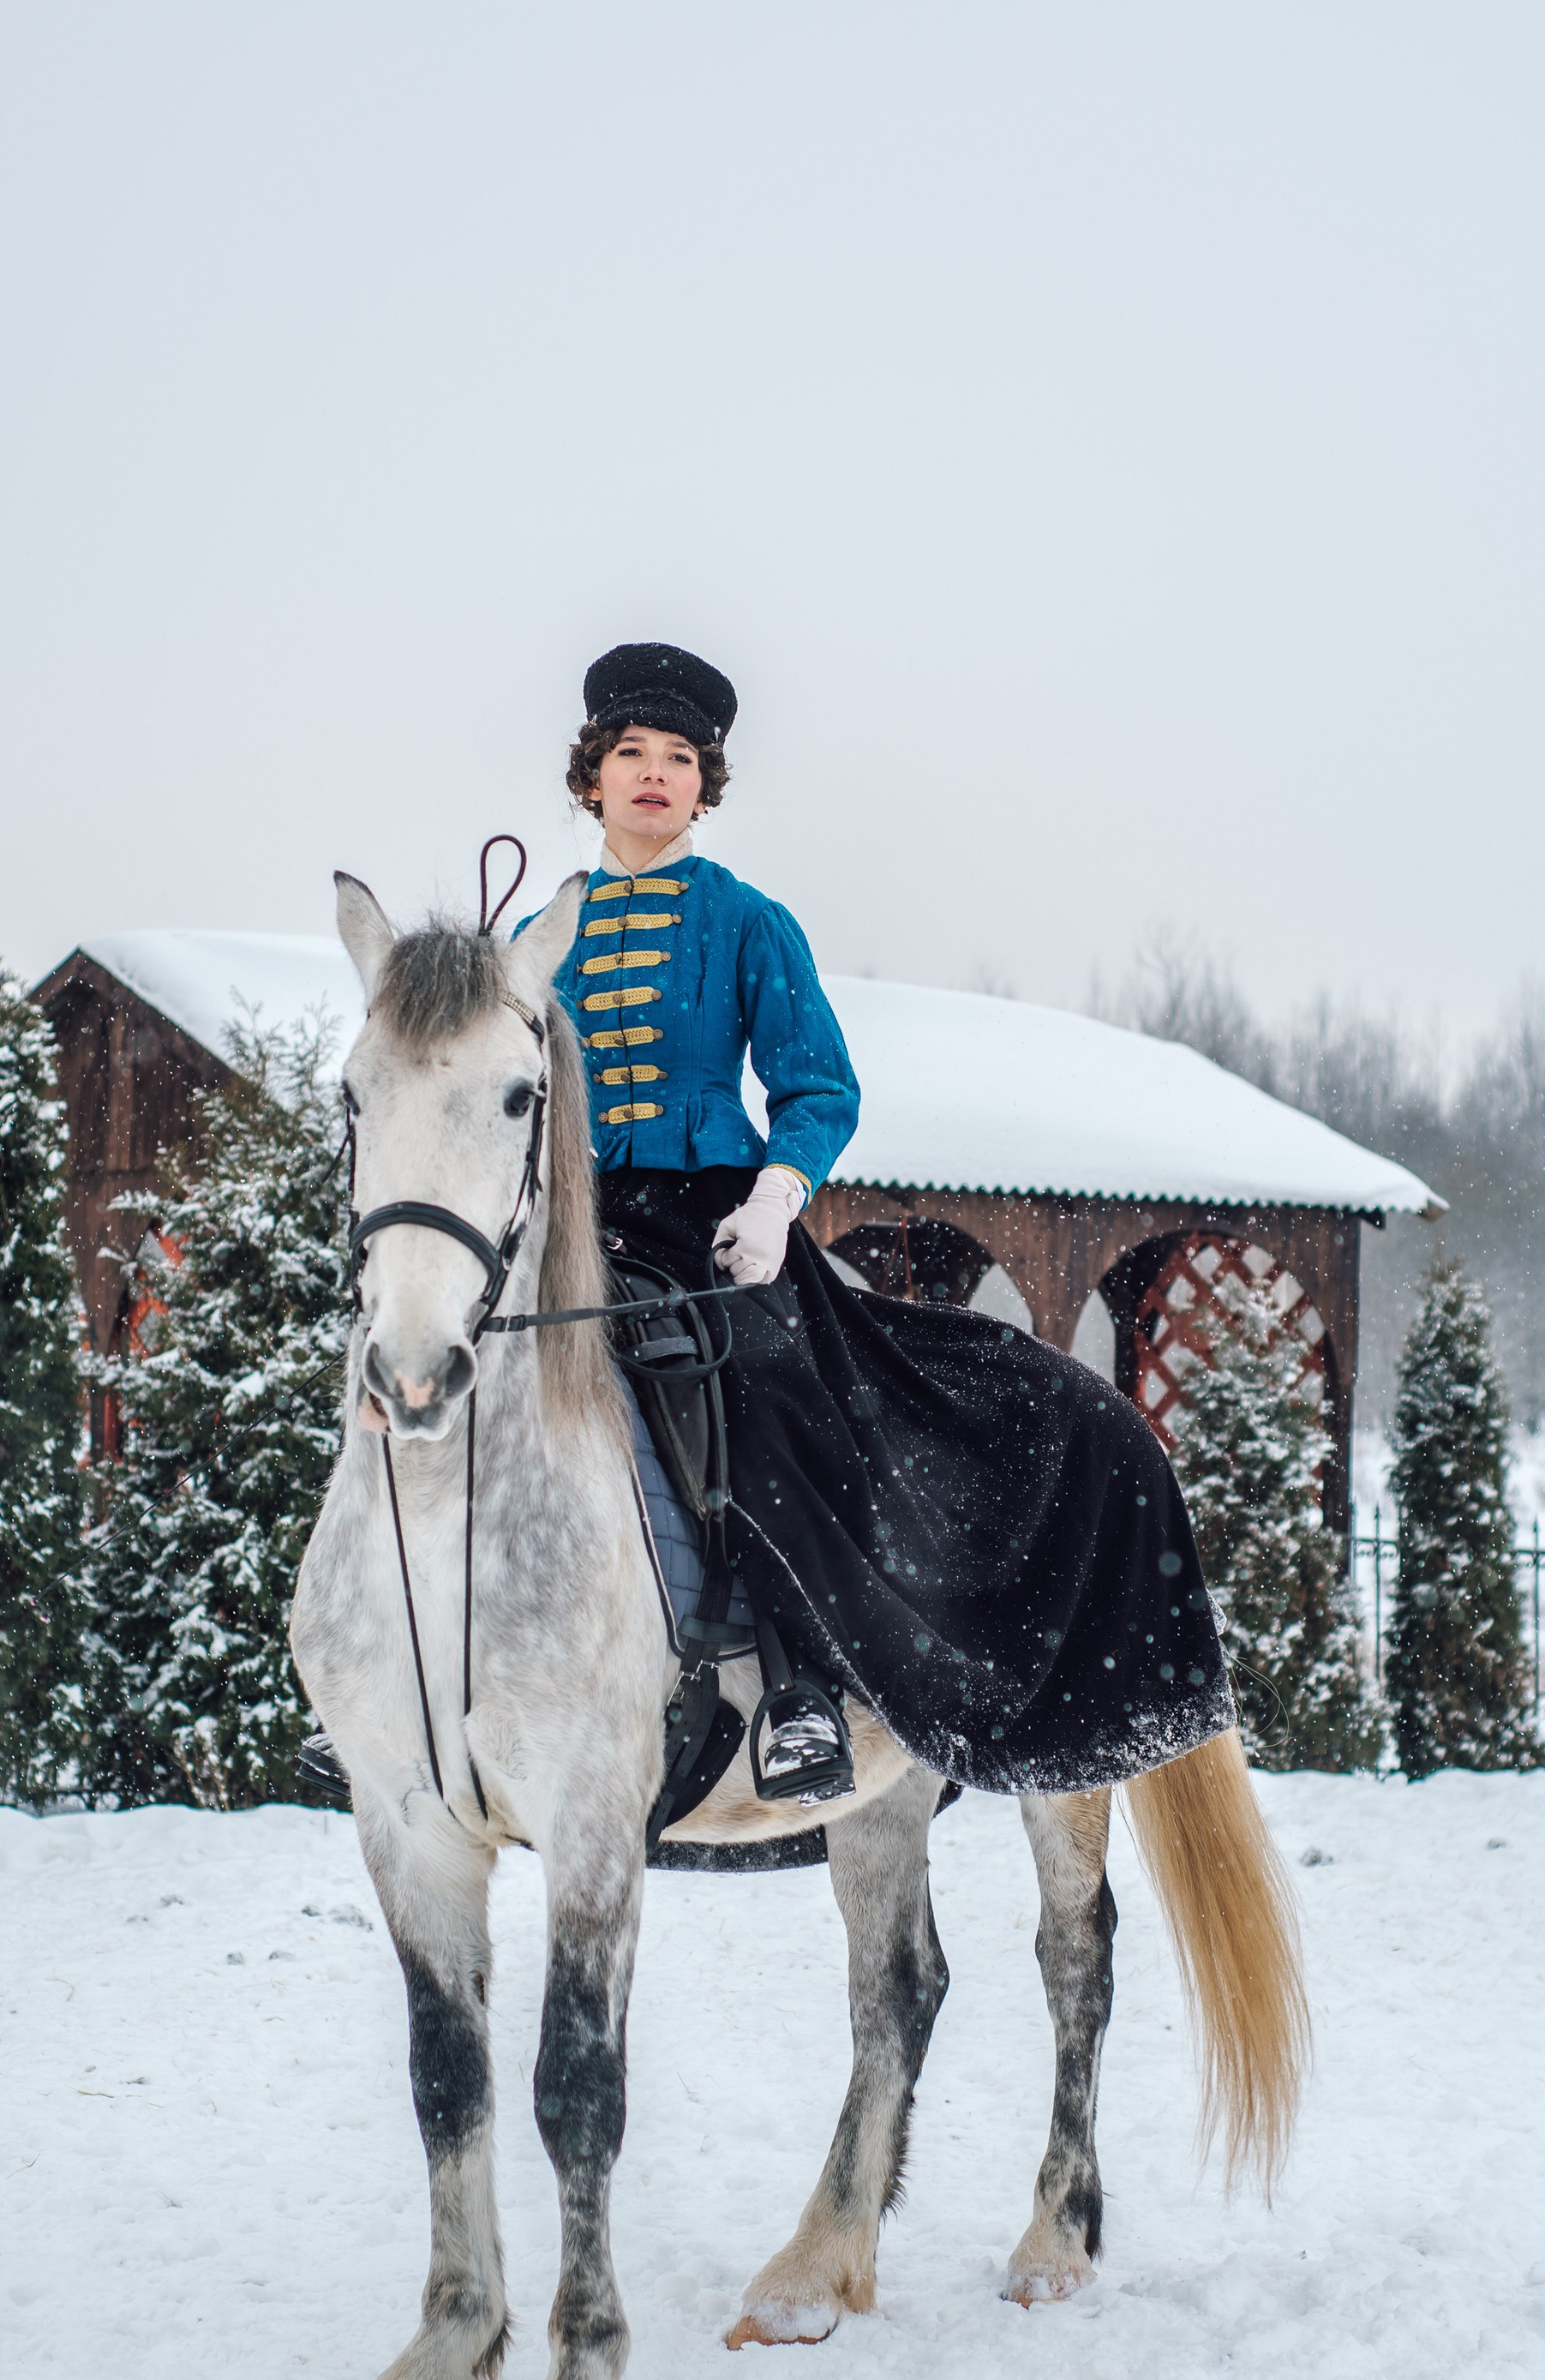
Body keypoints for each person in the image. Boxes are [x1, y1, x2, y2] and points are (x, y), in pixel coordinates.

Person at [522, 639, 1234, 1795]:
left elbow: (818, 1088)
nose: (654, 775)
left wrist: (776, 1195)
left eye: (680, 759)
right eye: (629, 754)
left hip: (714, 1228)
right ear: (590, 775)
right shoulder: (533, 944)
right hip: (568, 1224)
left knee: (768, 1398)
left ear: (707, 785)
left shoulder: (750, 924)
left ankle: (800, 1689)